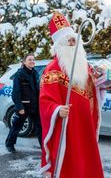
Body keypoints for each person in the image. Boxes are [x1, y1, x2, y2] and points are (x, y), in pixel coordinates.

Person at [39, 12, 104, 178]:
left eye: (73, 39)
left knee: (87, 159)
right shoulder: (52, 69)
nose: (72, 42)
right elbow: (45, 100)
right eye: (67, 40)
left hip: (85, 122)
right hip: (67, 126)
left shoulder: (86, 66)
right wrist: (57, 110)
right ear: (59, 45)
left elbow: (91, 91)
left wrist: (102, 86)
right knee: (70, 162)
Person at [5, 53, 42, 153]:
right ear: (24, 62)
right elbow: (16, 92)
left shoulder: (35, 73)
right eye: (29, 59)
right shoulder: (20, 74)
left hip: (35, 106)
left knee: (40, 127)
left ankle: (43, 146)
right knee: (16, 127)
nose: (32, 61)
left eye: (33, 59)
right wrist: (19, 107)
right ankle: (9, 144)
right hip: (24, 106)